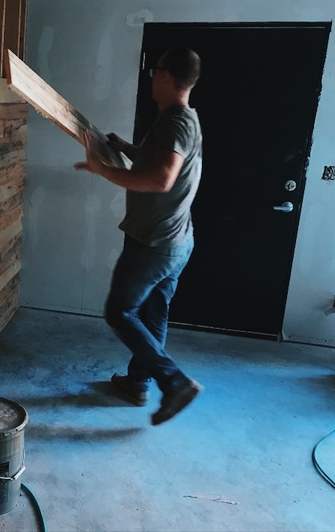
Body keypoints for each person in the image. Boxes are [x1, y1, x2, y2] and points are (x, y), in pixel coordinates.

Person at [75, 48, 203, 425]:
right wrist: (125, 149)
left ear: (167, 76)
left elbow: (161, 179)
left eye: (155, 70)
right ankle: (137, 382)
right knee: (152, 312)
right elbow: (163, 164)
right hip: (177, 241)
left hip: (154, 243)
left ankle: (174, 382)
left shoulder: (173, 123)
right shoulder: (182, 120)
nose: (151, 76)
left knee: (120, 312)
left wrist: (101, 170)